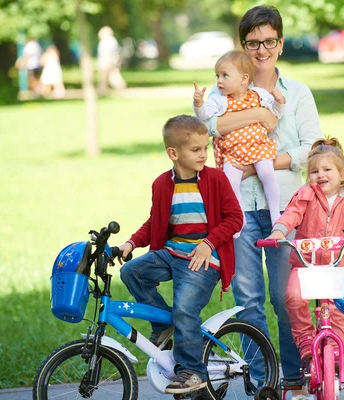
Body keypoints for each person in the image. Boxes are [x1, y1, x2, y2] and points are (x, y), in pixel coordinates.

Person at [201, 4, 322, 397]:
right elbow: (207, 128)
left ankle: (292, 376)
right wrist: (252, 114)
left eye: (269, 41)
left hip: (285, 205)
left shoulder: (297, 93)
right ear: (243, 46)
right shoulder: (225, 85)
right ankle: (262, 381)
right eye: (253, 42)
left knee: (285, 296)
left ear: (281, 43)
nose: (262, 49)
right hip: (236, 210)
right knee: (248, 298)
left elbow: (311, 150)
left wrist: (261, 162)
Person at [114, 115, 243, 394]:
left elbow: (235, 218)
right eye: (195, 150)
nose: (203, 155)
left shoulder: (216, 179)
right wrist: (131, 243)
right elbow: (155, 221)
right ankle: (163, 325)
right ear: (173, 153)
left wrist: (209, 243)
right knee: (131, 271)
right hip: (171, 253)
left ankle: (193, 372)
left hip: (204, 257)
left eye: (204, 148)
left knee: (185, 308)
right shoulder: (162, 184)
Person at [266, 138, 344, 362]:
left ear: (342, 174)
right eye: (314, 171)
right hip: (305, 264)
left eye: (327, 169)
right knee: (292, 297)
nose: (320, 175)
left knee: (336, 309)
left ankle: (338, 354)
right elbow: (291, 214)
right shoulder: (305, 194)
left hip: (334, 264)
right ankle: (306, 339)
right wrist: (279, 231)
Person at [193, 50, 285, 235]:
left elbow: (276, 114)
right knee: (230, 182)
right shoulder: (219, 100)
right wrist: (198, 104)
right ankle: (239, 217)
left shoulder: (258, 94)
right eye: (217, 75)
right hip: (233, 152)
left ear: (244, 79)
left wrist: (279, 102)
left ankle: (276, 214)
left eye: (224, 75)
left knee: (267, 173)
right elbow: (204, 117)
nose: (219, 80)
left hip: (258, 147)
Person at [97, 26, 126, 92]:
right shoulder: (110, 40)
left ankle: (119, 86)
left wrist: (108, 62)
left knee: (112, 75)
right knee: (106, 76)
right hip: (108, 61)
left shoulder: (108, 41)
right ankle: (102, 88)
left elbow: (108, 53)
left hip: (107, 62)